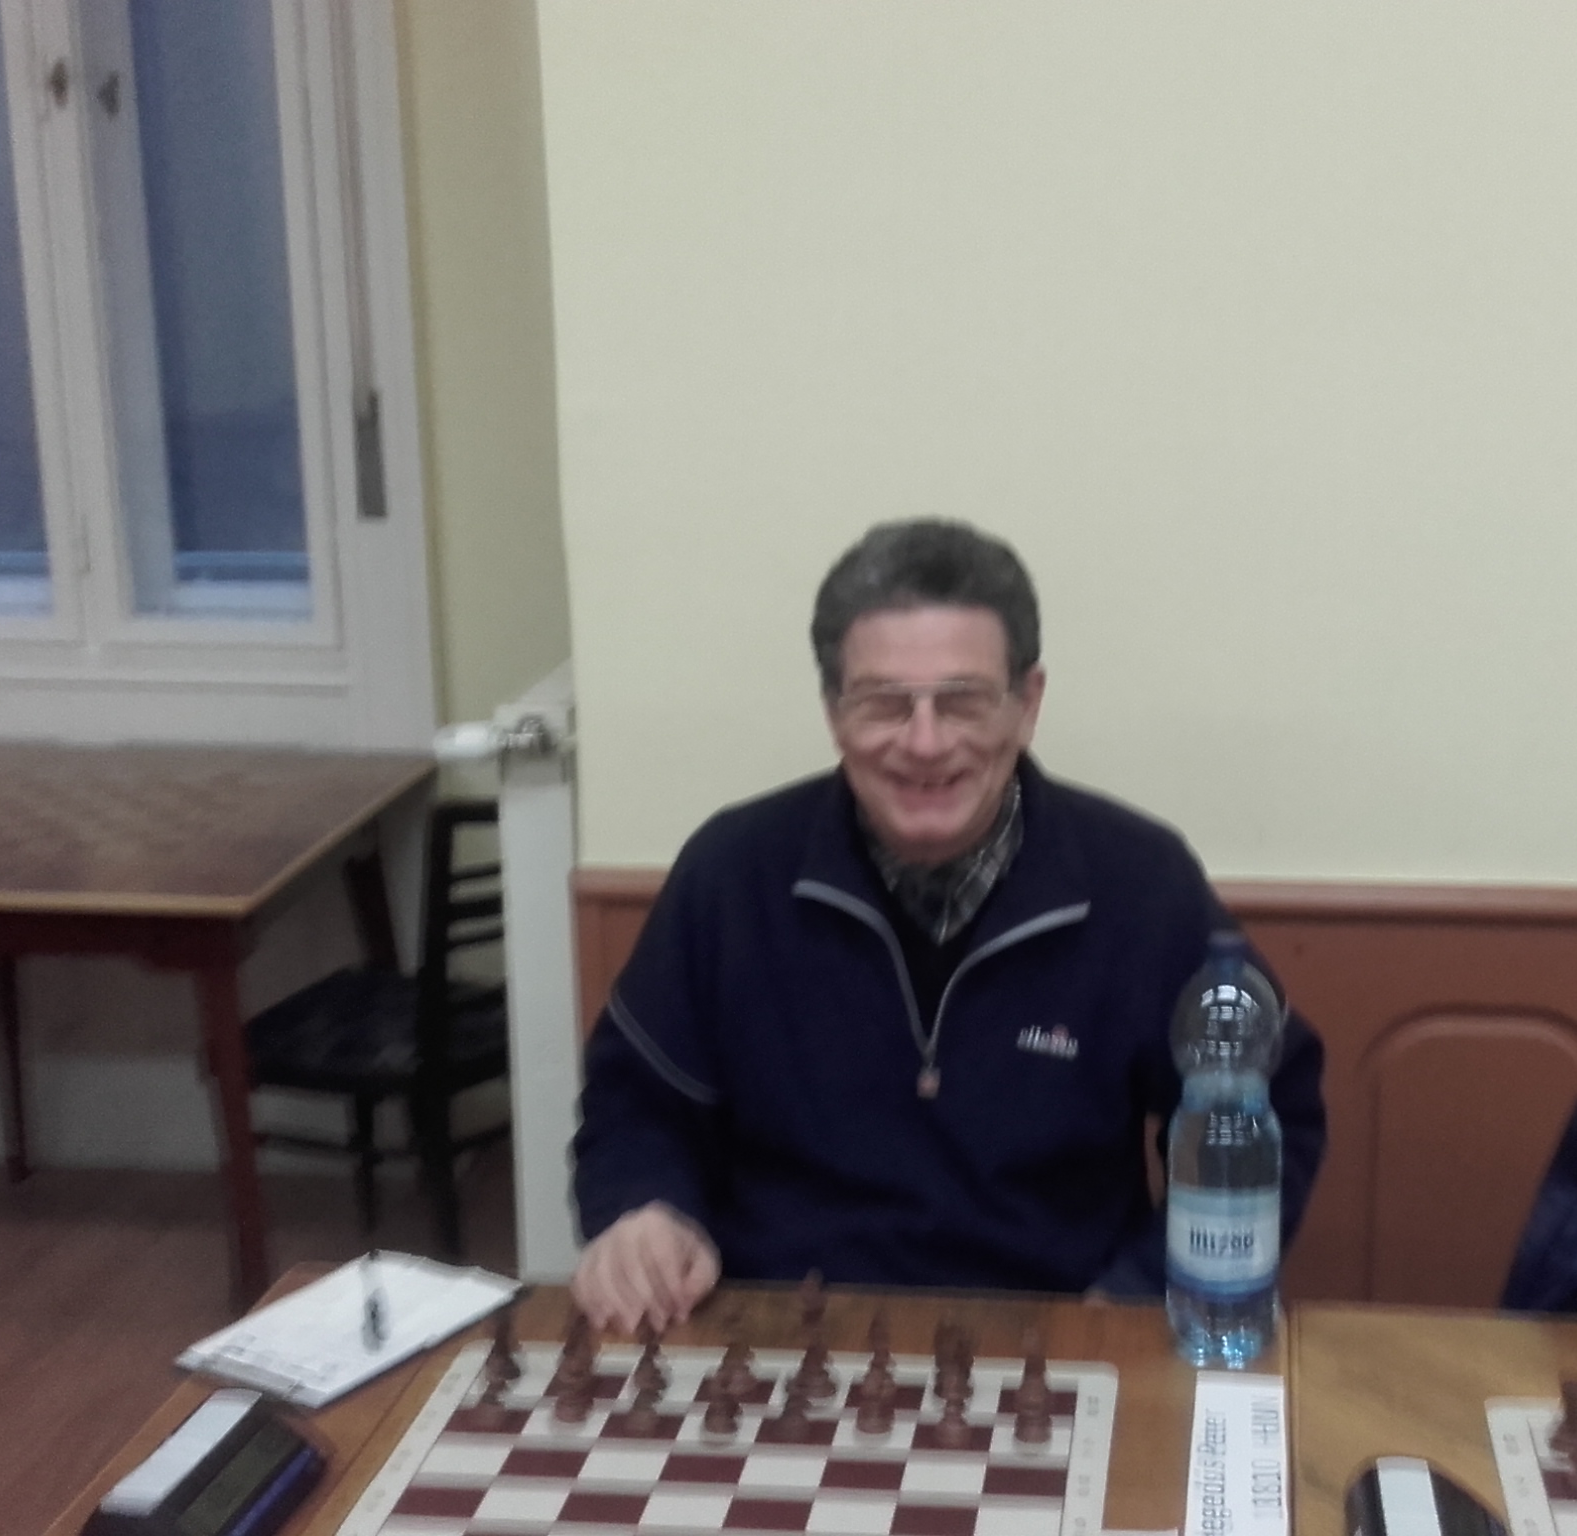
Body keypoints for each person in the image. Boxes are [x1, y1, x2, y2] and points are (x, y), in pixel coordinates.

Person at [569, 518, 1328, 1331]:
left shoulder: (1142, 883)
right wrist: (647, 1209)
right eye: (884, 704)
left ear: (1027, 705)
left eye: (963, 702)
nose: (925, 743)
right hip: (776, 1335)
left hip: (1059, 1334)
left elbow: (1267, 1111)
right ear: (832, 712)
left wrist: (1142, 1293)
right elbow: (636, 1103)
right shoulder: (730, 871)